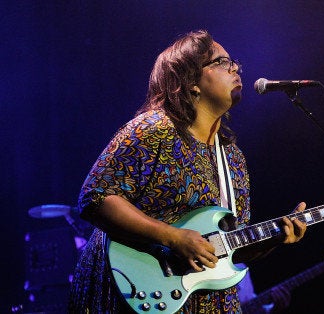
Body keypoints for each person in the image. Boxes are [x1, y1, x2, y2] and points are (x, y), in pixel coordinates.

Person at [68, 29, 307, 313]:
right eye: (222, 62)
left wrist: (275, 238)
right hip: (135, 297)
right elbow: (95, 197)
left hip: (208, 304)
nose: (236, 69)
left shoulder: (232, 157)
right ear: (191, 81)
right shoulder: (153, 130)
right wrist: (173, 237)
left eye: (235, 63)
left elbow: (229, 246)